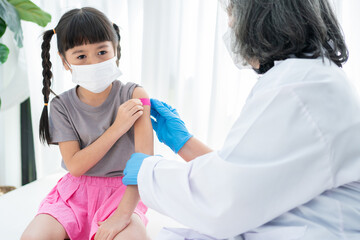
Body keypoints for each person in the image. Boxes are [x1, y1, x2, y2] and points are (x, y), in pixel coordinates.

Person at [122, 0, 360, 239]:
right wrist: (184, 143)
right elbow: (253, 176)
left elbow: (226, 200)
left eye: (234, 24)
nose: (233, 36)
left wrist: (148, 171)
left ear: (261, 24)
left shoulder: (299, 87)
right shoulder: (306, 77)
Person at [21, 7, 153, 240]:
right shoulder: (61, 105)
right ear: (65, 61)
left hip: (123, 194)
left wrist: (123, 215)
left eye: (102, 51)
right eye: (81, 56)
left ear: (115, 49)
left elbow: (145, 165)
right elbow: (76, 166)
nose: (94, 62)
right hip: (74, 194)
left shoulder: (135, 94)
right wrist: (117, 127)